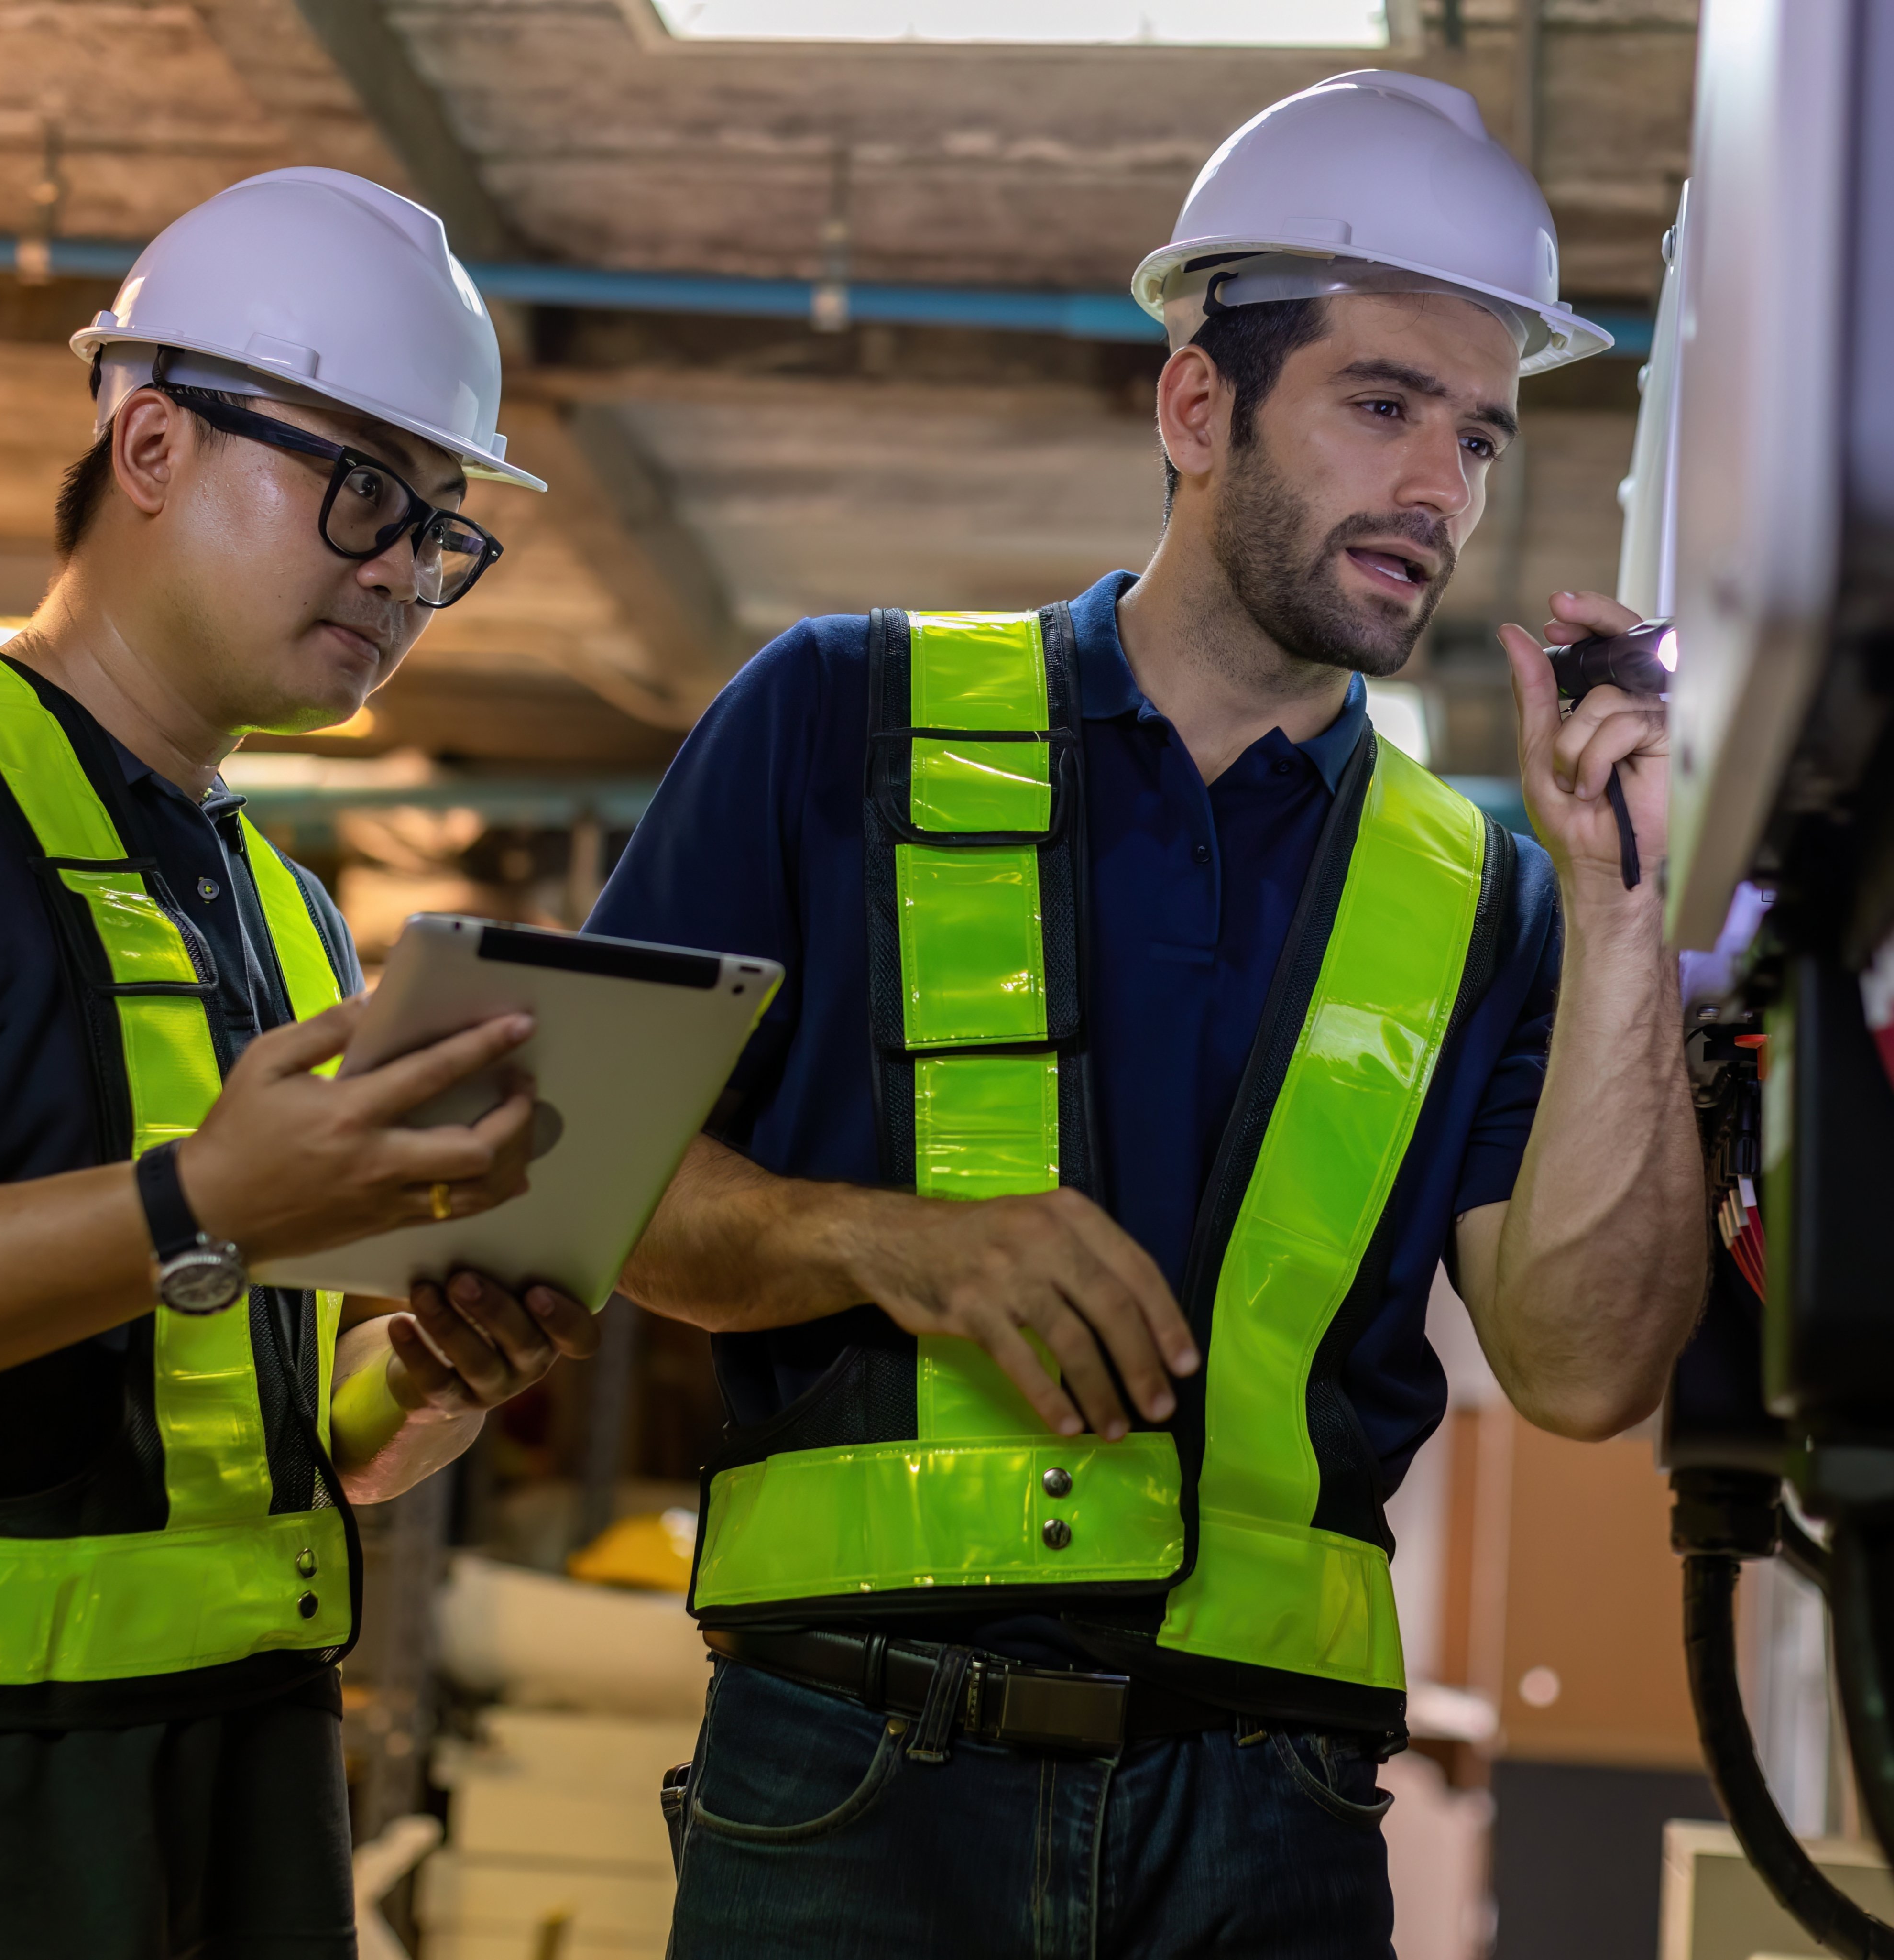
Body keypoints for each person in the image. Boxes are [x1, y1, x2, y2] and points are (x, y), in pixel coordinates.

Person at [592, 72, 1705, 1957]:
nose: (1437, 490)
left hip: (1269, 1827)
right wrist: (888, 1241)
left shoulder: (1496, 897)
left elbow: (1586, 1368)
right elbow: (579, 1189)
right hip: (855, 1782)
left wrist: (1624, 919)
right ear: (1195, 404)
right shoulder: (825, 718)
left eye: (1480, 439)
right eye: (1377, 406)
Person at [0, 167, 590, 1960]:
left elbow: (267, 1435)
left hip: (231, 1769)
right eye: (364, 490)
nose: (402, 571)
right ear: (148, 445)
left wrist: (427, 1380)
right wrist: (197, 1196)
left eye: (440, 531)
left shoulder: (285, 910)